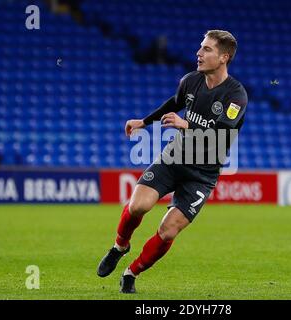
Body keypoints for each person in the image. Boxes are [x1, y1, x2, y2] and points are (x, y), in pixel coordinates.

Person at [97, 30, 248, 293]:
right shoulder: (190, 81)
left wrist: (186, 124)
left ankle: (131, 272)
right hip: (174, 158)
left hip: (203, 173)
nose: (199, 53)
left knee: (168, 231)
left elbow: (222, 132)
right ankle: (120, 246)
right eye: (200, 47)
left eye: (207, 49)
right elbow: (174, 103)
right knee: (138, 206)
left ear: (224, 57)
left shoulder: (236, 95)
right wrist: (143, 122)